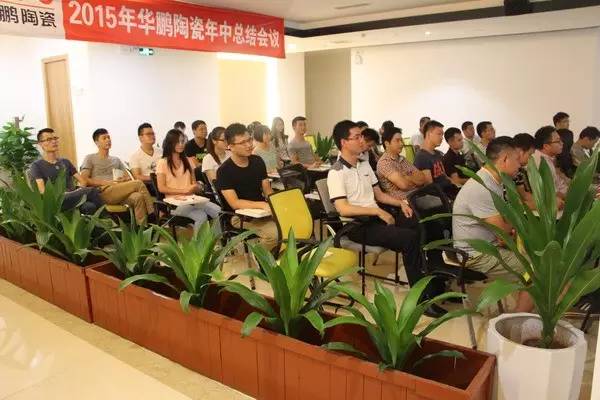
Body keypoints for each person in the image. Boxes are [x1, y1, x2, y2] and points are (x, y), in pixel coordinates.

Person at [328, 120, 445, 317]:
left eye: (361, 136)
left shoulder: (364, 165)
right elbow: (343, 208)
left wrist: (400, 203)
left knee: (426, 224)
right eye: (356, 137)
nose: (362, 140)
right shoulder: (336, 172)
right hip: (358, 226)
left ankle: (436, 279)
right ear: (344, 142)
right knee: (409, 239)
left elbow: (379, 195)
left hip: (376, 218)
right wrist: (377, 212)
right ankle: (421, 299)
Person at [453, 137, 533, 312]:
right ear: (505, 159)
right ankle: (516, 320)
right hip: (476, 254)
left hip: (490, 245)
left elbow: (505, 222)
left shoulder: (493, 180)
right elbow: (503, 233)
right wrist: (514, 218)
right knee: (534, 271)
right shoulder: (482, 187)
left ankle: (524, 307)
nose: (520, 165)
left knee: (534, 256)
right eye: (517, 160)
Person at [216, 123, 277, 250]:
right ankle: (259, 258)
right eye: (243, 142)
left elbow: (267, 190)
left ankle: (278, 258)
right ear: (230, 146)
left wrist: (276, 203)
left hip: (262, 213)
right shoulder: (224, 171)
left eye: (249, 140)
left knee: (292, 226)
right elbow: (235, 203)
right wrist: (262, 205)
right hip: (240, 217)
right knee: (275, 234)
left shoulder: (257, 161)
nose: (249, 145)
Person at [80, 128, 154, 224]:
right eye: (104, 138)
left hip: (118, 191)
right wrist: (106, 182)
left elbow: (128, 177)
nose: (108, 140)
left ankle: (142, 229)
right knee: (138, 183)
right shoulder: (90, 158)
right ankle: (153, 214)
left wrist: (123, 179)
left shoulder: (116, 160)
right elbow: (84, 179)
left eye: (109, 137)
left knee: (138, 197)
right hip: (102, 192)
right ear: (97, 143)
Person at [156, 129, 221, 232]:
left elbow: (193, 184)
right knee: (201, 216)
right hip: (175, 204)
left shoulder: (187, 161)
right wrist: (184, 191)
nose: (181, 144)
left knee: (218, 211)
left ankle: (217, 240)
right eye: (177, 142)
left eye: (182, 141)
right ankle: (200, 242)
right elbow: (161, 188)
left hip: (192, 199)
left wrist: (197, 187)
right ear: (170, 143)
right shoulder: (162, 162)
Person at [30, 128, 103, 215]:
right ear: (40, 144)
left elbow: (82, 181)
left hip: (72, 196)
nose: (54, 141)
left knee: (90, 206)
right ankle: (109, 219)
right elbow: (42, 191)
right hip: (56, 200)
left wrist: (78, 192)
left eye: (55, 138)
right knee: (92, 191)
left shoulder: (65, 162)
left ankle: (104, 221)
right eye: (49, 139)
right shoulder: (36, 165)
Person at [377, 126, 431, 200]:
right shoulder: (384, 162)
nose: (401, 144)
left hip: (418, 195)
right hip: (404, 201)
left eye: (401, 140)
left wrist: (407, 177)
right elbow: (404, 185)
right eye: (397, 141)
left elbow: (422, 178)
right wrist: (412, 178)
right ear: (387, 143)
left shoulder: (402, 159)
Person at [414, 120, 459, 200]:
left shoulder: (437, 153)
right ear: (429, 134)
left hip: (450, 190)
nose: (442, 138)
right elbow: (430, 188)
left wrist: (457, 185)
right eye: (439, 134)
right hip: (442, 197)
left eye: (442, 134)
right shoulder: (422, 157)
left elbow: (445, 176)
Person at [533, 126, 570, 199]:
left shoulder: (548, 158)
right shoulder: (541, 163)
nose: (562, 143)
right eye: (558, 141)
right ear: (546, 146)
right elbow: (552, 193)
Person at [129, 122, 161, 196]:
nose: (152, 136)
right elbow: (137, 177)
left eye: (153, 133)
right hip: (149, 185)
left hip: (164, 181)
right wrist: (155, 178)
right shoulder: (135, 156)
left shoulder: (161, 152)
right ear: (141, 138)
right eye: (148, 134)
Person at [512, 133, 537, 209]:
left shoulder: (520, 171)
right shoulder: (509, 171)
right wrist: (546, 206)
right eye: (530, 154)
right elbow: (513, 205)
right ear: (521, 152)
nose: (531, 158)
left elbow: (525, 195)